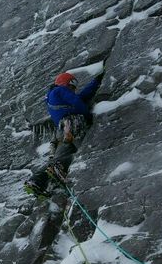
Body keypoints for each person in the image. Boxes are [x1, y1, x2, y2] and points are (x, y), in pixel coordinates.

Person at [24, 68, 104, 198]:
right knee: (82, 152)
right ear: (66, 83)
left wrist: (95, 82)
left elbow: (81, 96)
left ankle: (37, 181)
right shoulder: (60, 90)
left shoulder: (52, 96)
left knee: (59, 157)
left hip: (62, 130)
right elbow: (77, 102)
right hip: (73, 122)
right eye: (72, 87)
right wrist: (87, 115)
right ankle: (59, 167)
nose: (73, 90)